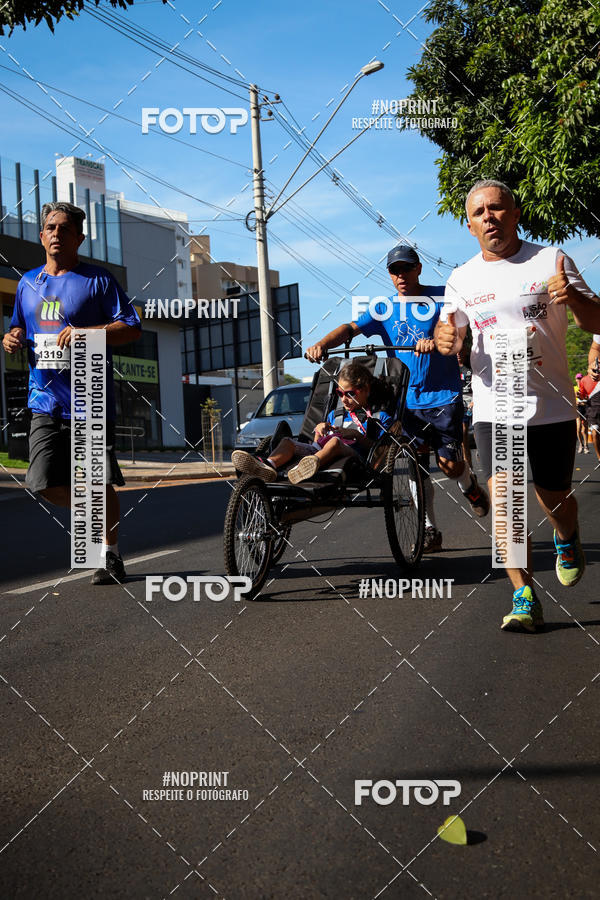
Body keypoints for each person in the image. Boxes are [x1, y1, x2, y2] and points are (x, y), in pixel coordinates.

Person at [435, 179, 600, 632]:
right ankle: (523, 595)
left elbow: (596, 317)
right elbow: (451, 335)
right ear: (469, 226)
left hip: (550, 406)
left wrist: (577, 298)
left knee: (554, 499)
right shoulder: (462, 278)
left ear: (515, 213)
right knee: (505, 500)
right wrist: (445, 339)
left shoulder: (552, 260)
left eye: (498, 209)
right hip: (495, 405)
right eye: (479, 213)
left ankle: (567, 536)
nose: (489, 217)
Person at [305, 244, 489, 554]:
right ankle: (429, 530)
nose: (401, 274)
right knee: (414, 466)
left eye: (406, 268)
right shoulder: (383, 309)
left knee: (449, 464)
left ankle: (469, 486)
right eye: (394, 270)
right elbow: (350, 329)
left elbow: (461, 329)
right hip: (405, 399)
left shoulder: (442, 295)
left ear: (418, 268)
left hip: (442, 395)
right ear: (390, 275)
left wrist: (439, 339)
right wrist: (322, 343)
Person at [2, 201, 141, 584]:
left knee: (97, 482)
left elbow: (132, 328)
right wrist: (11, 338)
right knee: (42, 482)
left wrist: (87, 334)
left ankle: (109, 555)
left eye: (65, 228)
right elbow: (17, 328)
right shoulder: (28, 283)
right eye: (50, 227)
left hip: (89, 399)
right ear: (41, 235)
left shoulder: (98, 280)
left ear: (79, 237)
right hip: (44, 399)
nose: (57, 234)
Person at [232, 362, 391, 484]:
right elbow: (317, 444)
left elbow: (383, 452)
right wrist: (319, 431)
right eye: (340, 393)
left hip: (357, 460)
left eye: (350, 394)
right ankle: (268, 466)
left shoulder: (379, 417)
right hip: (319, 452)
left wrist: (356, 435)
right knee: (288, 441)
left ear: (366, 390)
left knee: (335, 442)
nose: (343, 399)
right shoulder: (334, 415)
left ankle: (306, 468)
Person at [578, 336, 600, 461]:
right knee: (589, 430)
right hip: (591, 408)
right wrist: (592, 365)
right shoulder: (584, 381)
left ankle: (584, 445)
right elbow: (595, 347)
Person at [458, 348, 474, 468]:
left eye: (460, 351)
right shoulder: (451, 369)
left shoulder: (471, 366)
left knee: (477, 434)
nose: (458, 354)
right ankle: (469, 468)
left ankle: (482, 450)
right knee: (463, 434)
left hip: (474, 400)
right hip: (461, 403)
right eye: (456, 352)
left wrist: (475, 400)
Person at [574, 374, 590, 453]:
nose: (579, 380)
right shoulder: (574, 388)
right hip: (578, 409)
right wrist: (575, 400)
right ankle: (581, 445)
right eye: (578, 378)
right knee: (578, 428)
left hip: (585, 408)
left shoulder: (586, 387)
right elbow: (572, 399)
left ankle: (586, 446)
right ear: (576, 379)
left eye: (580, 378)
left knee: (585, 429)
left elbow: (588, 398)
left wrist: (585, 399)